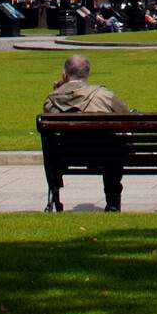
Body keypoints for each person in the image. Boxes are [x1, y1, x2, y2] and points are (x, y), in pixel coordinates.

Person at [41, 53, 133, 211]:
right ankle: (112, 202)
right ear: (88, 73)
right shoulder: (103, 95)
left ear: (64, 74)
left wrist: (60, 89)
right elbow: (128, 116)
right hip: (107, 155)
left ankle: (54, 198)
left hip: (67, 155)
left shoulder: (52, 101)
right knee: (114, 148)